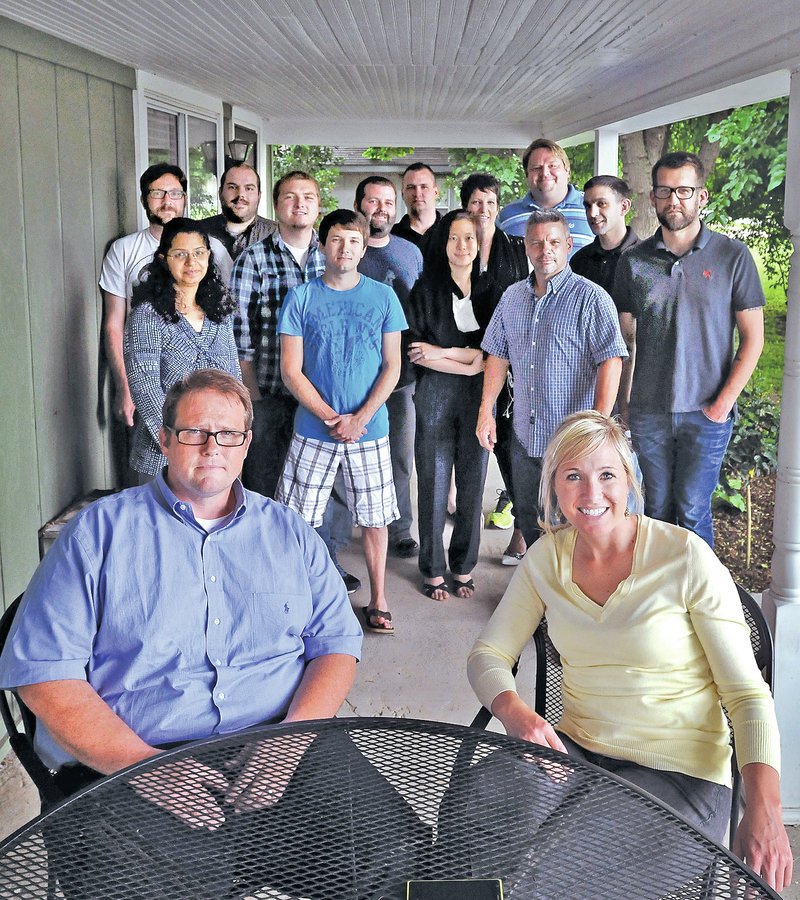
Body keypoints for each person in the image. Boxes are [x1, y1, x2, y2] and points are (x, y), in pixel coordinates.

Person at [0, 368, 362, 830]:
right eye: (194, 433)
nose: (213, 447)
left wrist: (289, 741)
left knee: (392, 858)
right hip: (137, 761)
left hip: (283, 742)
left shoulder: (290, 531)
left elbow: (335, 643)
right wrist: (143, 767)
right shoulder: (97, 534)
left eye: (228, 434)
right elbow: (42, 673)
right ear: (164, 440)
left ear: (246, 444)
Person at [468, 411, 793, 893]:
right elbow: (487, 655)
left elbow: (746, 695)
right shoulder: (546, 558)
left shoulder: (684, 557)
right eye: (573, 476)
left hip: (680, 773)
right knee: (471, 823)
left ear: (630, 479)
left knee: (551, 883)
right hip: (576, 754)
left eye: (606, 475)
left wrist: (765, 809)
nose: (591, 494)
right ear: (553, 485)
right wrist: (515, 712)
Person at [614, 151, 765, 547]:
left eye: (684, 190)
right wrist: (625, 405)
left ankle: (703, 605)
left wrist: (721, 406)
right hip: (649, 411)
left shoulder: (733, 257)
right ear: (653, 197)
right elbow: (624, 340)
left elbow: (754, 339)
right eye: (665, 190)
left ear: (702, 196)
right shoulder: (634, 262)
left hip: (707, 413)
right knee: (656, 512)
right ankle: (663, 602)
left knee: (694, 510)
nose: (674, 200)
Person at [277, 210, 406, 633]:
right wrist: (333, 418)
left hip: (370, 431)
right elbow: (291, 370)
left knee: (374, 517)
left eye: (353, 240)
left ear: (363, 246)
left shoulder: (384, 297)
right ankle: (305, 599)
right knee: (299, 519)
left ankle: (379, 598)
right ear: (321, 244)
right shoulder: (301, 298)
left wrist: (360, 418)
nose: (344, 248)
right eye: (336, 240)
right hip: (314, 429)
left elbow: (392, 367)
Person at [231, 170, 358, 591]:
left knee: (330, 484)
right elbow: (239, 330)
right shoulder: (253, 259)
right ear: (276, 205)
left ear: (318, 205)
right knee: (266, 477)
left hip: (327, 397)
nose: (299, 204)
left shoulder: (334, 257)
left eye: (308, 197)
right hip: (270, 390)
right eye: (289, 196)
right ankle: (270, 565)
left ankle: (326, 563)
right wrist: (251, 392)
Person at [477, 209, 627, 550]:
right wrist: (486, 410)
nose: (545, 249)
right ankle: (544, 594)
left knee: (575, 524)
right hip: (525, 437)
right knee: (530, 520)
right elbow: (497, 355)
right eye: (537, 242)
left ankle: (574, 599)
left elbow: (611, 360)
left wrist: (598, 427)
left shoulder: (591, 298)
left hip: (572, 441)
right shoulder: (512, 298)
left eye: (554, 242)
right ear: (527, 248)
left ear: (569, 245)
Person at [100, 163, 231, 429]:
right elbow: (114, 324)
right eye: (157, 193)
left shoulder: (213, 247)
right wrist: (125, 387)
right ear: (143, 199)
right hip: (148, 376)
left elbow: (222, 312)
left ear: (184, 198)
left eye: (175, 193)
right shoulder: (123, 250)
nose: (167, 201)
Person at [406, 210, 495, 602]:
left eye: (470, 239)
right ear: (443, 244)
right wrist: (467, 359)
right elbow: (417, 354)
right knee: (433, 479)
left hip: (480, 397)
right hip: (435, 394)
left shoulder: (491, 289)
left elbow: (492, 355)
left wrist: (444, 352)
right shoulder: (424, 289)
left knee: (473, 481)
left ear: (478, 244)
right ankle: (432, 567)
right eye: (455, 239)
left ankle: (463, 564)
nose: (462, 247)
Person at [123, 218, 241, 480]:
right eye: (180, 254)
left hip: (218, 457)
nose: (191, 262)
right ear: (164, 259)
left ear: (209, 257)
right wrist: (177, 444)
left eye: (199, 253)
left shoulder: (218, 314)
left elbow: (234, 382)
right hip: (162, 458)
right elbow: (145, 388)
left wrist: (234, 437)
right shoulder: (147, 316)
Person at [462, 172, 529, 566]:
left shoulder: (517, 249)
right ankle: (463, 543)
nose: (482, 210)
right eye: (475, 203)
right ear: (465, 208)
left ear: (498, 208)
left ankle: (521, 531)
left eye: (489, 203)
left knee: (510, 450)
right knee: (472, 450)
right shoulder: (457, 247)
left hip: (512, 366)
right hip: (465, 362)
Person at [355, 175, 424, 559]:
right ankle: (351, 524)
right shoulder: (347, 248)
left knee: (400, 454)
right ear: (359, 204)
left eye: (387, 202)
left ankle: (400, 528)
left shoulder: (410, 252)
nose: (380, 209)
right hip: (353, 375)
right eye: (372, 202)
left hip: (401, 376)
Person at [496, 138, 592, 255]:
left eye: (552, 165)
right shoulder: (507, 216)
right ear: (527, 175)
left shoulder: (591, 207)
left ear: (567, 171)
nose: (545, 173)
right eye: (536, 168)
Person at [570, 174, 640, 301]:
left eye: (601, 204)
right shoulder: (579, 261)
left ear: (624, 207)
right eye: (588, 206)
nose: (592, 213)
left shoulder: (646, 261)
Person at [203, 161, 277, 261]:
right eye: (232, 187)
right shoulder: (199, 231)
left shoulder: (276, 234)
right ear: (220, 193)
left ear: (259, 195)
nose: (240, 194)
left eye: (249, 188)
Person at [391, 162, 441, 251]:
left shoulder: (451, 231)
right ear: (402, 194)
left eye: (424, 187)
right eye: (411, 187)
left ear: (436, 192)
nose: (417, 193)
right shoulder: (391, 237)